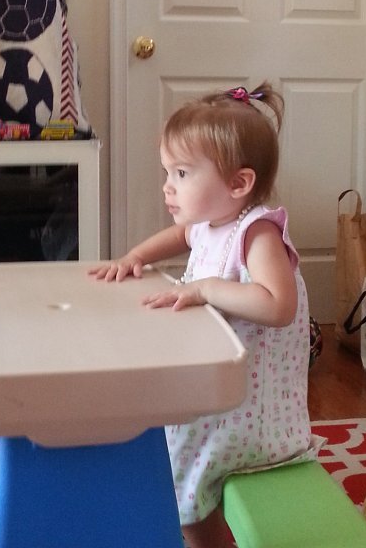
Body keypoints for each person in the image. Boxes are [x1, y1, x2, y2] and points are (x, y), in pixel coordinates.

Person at [90, 83, 320, 548]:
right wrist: (135, 257)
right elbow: (180, 235)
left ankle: (206, 538)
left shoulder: (257, 234)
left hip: (248, 409)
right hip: (218, 391)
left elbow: (278, 305)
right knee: (169, 445)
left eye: (181, 172)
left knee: (183, 479)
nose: (167, 186)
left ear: (238, 184)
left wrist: (207, 288)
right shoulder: (211, 223)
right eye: (167, 171)